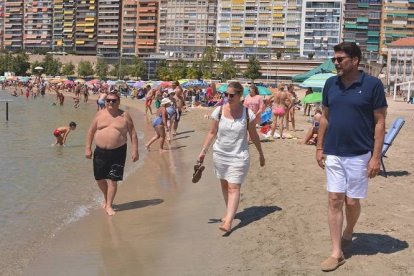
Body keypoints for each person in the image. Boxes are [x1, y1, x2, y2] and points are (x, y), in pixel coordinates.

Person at [316, 42, 387, 271]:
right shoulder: (330, 84)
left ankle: (349, 230)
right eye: (334, 59)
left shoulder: (373, 85)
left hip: (359, 153)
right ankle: (336, 252)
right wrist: (319, 147)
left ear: (355, 60)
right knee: (335, 199)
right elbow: (325, 117)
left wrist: (376, 157)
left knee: (352, 202)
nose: (336, 63)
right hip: (334, 152)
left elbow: (380, 122)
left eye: (340, 59)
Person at [198, 81, 265, 234]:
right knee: (224, 184)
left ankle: (228, 221)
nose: (228, 97)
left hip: (239, 155)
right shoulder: (219, 111)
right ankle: (230, 212)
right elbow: (212, 132)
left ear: (240, 95)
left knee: (233, 187)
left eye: (231, 95)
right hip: (220, 154)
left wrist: (261, 153)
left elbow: (253, 134)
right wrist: (203, 151)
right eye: (226, 94)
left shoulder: (248, 114)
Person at [85, 91, 139, 216]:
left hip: (118, 151)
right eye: (108, 100)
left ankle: (109, 205)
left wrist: (135, 150)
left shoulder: (125, 116)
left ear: (118, 102)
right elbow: (91, 132)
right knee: (99, 178)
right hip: (100, 151)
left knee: (113, 180)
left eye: (113, 100)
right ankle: (106, 196)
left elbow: (133, 133)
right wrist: (88, 148)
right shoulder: (99, 114)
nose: (110, 102)